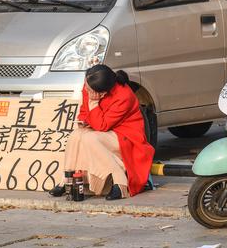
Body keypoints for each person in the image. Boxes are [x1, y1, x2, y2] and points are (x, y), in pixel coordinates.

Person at [49, 65, 155, 200]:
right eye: (86, 87)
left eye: (89, 90)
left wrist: (93, 103)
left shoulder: (124, 96)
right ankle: (67, 180)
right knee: (76, 135)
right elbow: (84, 111)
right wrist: (84, 120)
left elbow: (102, 125)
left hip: (126, 136)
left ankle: (120, 181)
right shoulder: (91, 84)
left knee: (90, 139)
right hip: (100, 129)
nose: (86, 91)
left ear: (102, 93)